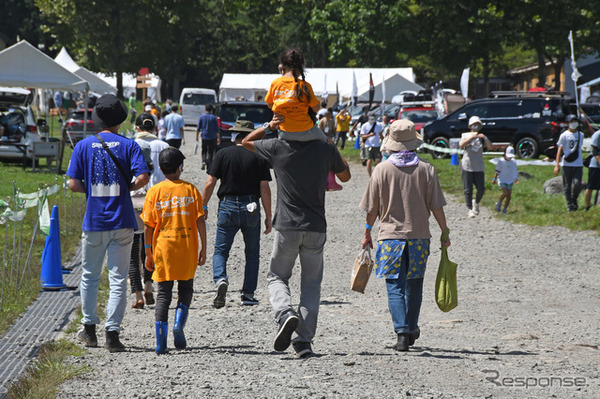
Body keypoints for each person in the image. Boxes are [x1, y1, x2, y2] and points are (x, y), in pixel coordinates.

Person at [242, 114, 351, 358]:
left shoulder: (277, 146)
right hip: (316, 226)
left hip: (287, 225)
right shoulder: (325, 149)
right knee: (311, 285)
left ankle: (284, 313)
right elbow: (345, 177)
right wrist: (330, 145)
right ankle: (303, 342)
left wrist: (268, 126)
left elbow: (245, 143)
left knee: (277, 276)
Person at [67, 94, 150, 352]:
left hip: (94, 221)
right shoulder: (129, 145)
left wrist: (91, 191)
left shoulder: (83, 146)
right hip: (122, 220)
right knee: (118, 279)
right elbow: (144, 176)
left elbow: (73, 184)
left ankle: (89, 330)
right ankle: (113, 335)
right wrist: (127, 188)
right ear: (120, 119)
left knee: (90, 276)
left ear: (97, 119)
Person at [360, 119, 450, 352]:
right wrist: (444, 231)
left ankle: (402, 332)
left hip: (390, 238)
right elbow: (436, 206)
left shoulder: (381, 169)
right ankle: (411, 328)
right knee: (415, 285)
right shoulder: (426, 169)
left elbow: (373, 209)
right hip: (420, 237)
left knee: (395, 286)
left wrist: (367, 233)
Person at [142, 148, 207, 354]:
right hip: (186, 246)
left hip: (163, 248)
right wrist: (204, 246)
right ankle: (179, 324)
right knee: (186, 287)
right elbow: (200, 221)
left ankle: (161, 342)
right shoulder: (191, 190)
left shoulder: (155, 192)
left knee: (163, 294)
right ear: (181, 167)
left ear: (160, 168)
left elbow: (148, 226)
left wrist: (147, 252)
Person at [202, 120, 272, 307]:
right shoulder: (260, 156)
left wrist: (204, 206)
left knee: (220, 250)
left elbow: (210, 182)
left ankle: (221, 279)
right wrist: (268, 216)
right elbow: (264, 188)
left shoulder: (223, 154)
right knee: (252, 253)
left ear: (235, 136)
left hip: (228, 206)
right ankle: (248, 295)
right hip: (251, 206)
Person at [129, 113, 170, 309]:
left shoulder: (129, 145)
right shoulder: (164, 146)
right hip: (158, 201)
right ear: (154, 128)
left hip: (134, 199)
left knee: (132, 248)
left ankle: (137, 292)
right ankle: (149, 284)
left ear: (137, 127)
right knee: (152, 246)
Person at [265, 48, 326, 143]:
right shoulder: (305, 85)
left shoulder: (275, 84)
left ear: (282, 66)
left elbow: (269, 104)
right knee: (328, 143)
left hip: (284, 133)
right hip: (306, 131)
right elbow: (316, 108)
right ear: (302, 66)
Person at [459, 116, 493, 218]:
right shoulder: (465, 135)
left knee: (481, 189)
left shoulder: (482, 137)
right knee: (468, 189)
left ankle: (476, 203)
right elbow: (461, 145)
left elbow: (490, 147)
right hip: (467, 165)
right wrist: (471, 137)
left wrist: (484, 138)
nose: (476, 126)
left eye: (478, 124)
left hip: (479, 167)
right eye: (474, 124)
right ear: (470, 125)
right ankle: (469, 209)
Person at [554, 114, 584, 211]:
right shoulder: (564, 135)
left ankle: (574, 199)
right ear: (567, 123)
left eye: (575, 121)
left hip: (578, 163)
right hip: (567, 164)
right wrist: (557, 165)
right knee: (567, 185)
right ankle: (569, 204)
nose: (573, 124)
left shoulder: (581, 135)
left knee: (577, 183)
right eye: (571, 122)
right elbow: (559, 150)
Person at [492, 146, 519, 214]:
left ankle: (504, 209)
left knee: (509, 196)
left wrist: (515, 178)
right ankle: (499, 203)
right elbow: (497, 171)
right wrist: (494, 179)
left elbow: (514, 170)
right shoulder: (501, 161)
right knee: (505, 193)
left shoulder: (513, 162)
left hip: (509, 180)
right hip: (502, 179)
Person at [196, 104, 220, 170]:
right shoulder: (214, 118)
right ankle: (209, 166)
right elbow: (217, 129)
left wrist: (197, 137)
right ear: (212, 110)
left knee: (204, 150)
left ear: (205, 109)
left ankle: (203, 161)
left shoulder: (201, 117)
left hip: (204, 136)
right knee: (211, 151)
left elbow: (198, 128)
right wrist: (218, 139)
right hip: (212, 137)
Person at [584, 128, 600, 210]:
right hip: (595, 165)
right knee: (590, 186)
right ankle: (587, 206)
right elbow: (594, 151)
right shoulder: (597, 134)